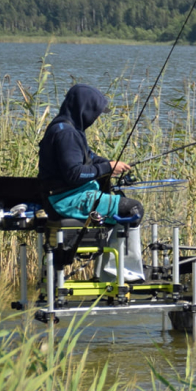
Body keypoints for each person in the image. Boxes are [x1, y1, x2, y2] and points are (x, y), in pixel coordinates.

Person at [37, 84, 146, 282]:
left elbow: (88, 158)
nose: (96, 118)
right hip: (68, 199)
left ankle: (109, 269)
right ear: (84, 108)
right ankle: (121, 273)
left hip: (64, 196)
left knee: (118, 202)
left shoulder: (66, 126)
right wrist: (107, 168)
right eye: (95, 113)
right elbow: (74, 174)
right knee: (133, 209)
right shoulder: (66, 134)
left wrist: (109, 164)